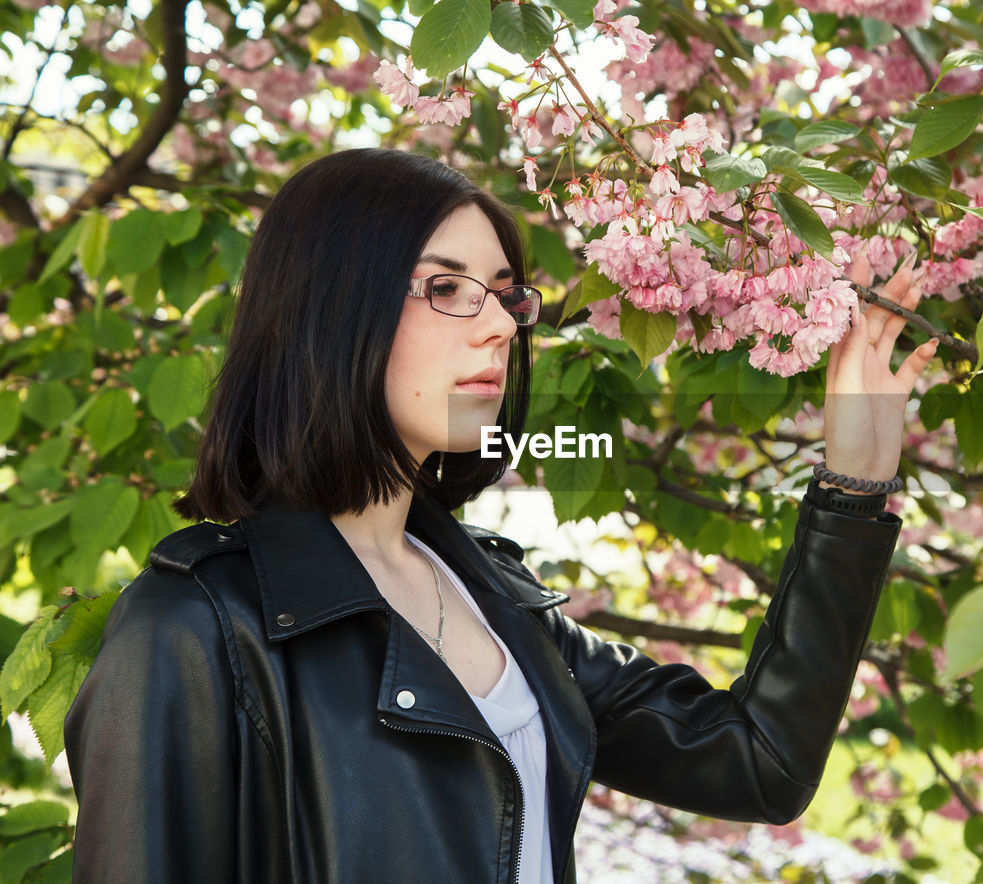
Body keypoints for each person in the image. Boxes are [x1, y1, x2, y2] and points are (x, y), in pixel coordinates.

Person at [64, 148, 934, 883]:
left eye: (505, 294)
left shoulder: (492, 592)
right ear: (331, 308)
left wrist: (852, 488)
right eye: (446, 287)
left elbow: (759, 763)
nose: (499, 329)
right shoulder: (194, 628)